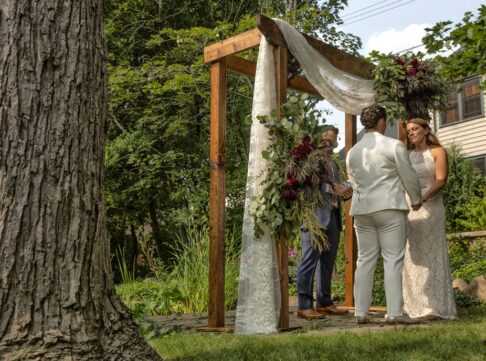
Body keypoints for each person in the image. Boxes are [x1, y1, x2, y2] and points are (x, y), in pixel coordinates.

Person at [346, 105, 423, 325]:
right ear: (382, 121)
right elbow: (408, 176)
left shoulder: (353, 152)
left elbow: (353, 181)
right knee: (392, 260)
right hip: (389, 208)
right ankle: (394, 313)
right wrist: (416, 200)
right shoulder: (394, 145)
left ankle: (360, 312)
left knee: (365, 259)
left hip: (362, 211)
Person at [296, 126, 353, 320]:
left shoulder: (334, 164)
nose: (329, 140)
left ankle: (325, 302)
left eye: (333, 137)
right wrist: (334, 187)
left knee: (327, 264)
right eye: (326, 137)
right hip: (315, 219)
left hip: (333, 218)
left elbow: (336, 191)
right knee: (308, 262)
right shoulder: (310, 159)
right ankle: (304, 306)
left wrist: (346, 192)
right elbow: (306, 182)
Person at [403, 118, 457, 320]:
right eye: (409, 131)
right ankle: (413, 306)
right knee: (413, 254)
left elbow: (441, 179)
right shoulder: (406, 155)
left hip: (431, 207)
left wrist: (422, 199)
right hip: (410, 207)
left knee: (432, 253)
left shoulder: (438, 152)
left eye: (415, 129)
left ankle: (435, 306)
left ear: (426, 130)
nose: (412, 133)